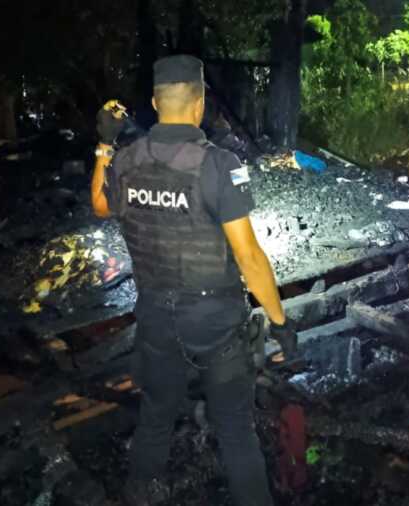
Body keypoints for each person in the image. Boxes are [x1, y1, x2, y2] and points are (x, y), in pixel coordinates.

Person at [90, 55, 298, 506]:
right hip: (215, 323)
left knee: (156, 416)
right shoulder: (219, 164)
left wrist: (104, 145)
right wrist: (281, 323)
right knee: (236, 431)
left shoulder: (125, 160)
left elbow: (101, 206)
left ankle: (140, 494)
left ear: (154, 103)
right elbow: (249, 256)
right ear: (200, 103)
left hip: (156, 319)